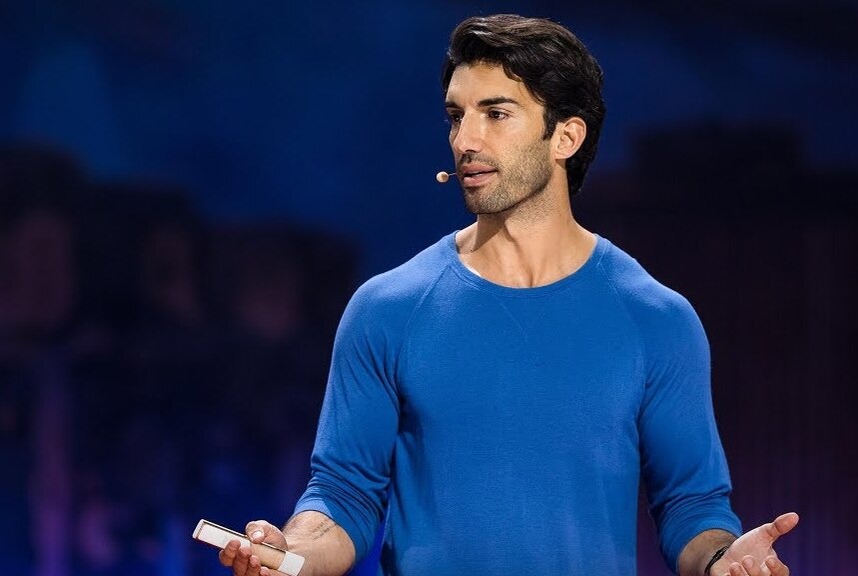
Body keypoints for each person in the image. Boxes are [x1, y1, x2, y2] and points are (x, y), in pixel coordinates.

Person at [218, 14, 798, 576]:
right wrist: (291, 556)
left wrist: (726, 561)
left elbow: (691, 506)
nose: (465, 139)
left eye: (496, 114)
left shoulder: (656, 318)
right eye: (455, 116)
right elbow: (343, 494)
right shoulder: (386, 310)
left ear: (566, 136)